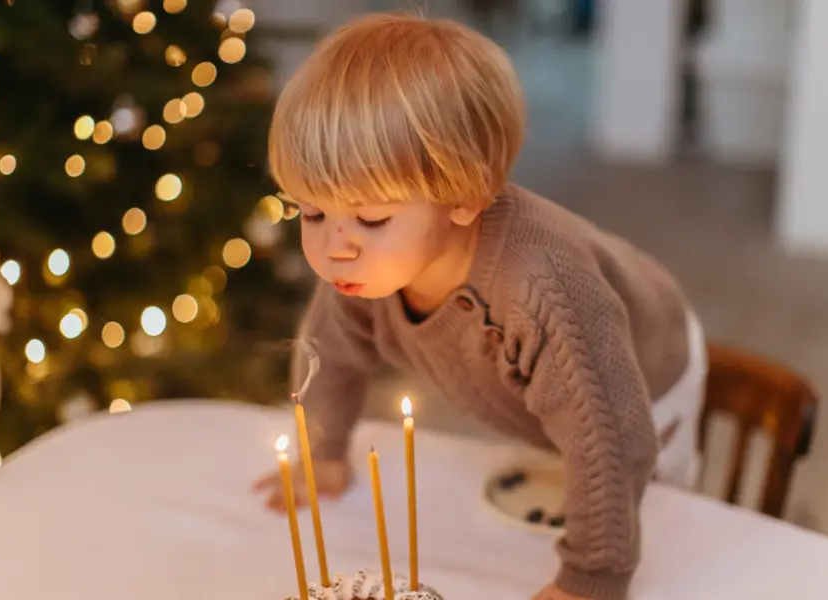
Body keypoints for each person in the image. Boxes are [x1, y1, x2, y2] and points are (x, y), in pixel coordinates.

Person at [253, 12, 707, 600]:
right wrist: (323, 451)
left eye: (371, 218)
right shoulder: (361, 268)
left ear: (464, 198)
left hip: (644, 378)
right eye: (311, 213)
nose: (334, 246)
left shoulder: (544, 288)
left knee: (669, 524)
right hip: (547, 394)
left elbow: (616, 437)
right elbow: (331, 353)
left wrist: (591, 578)